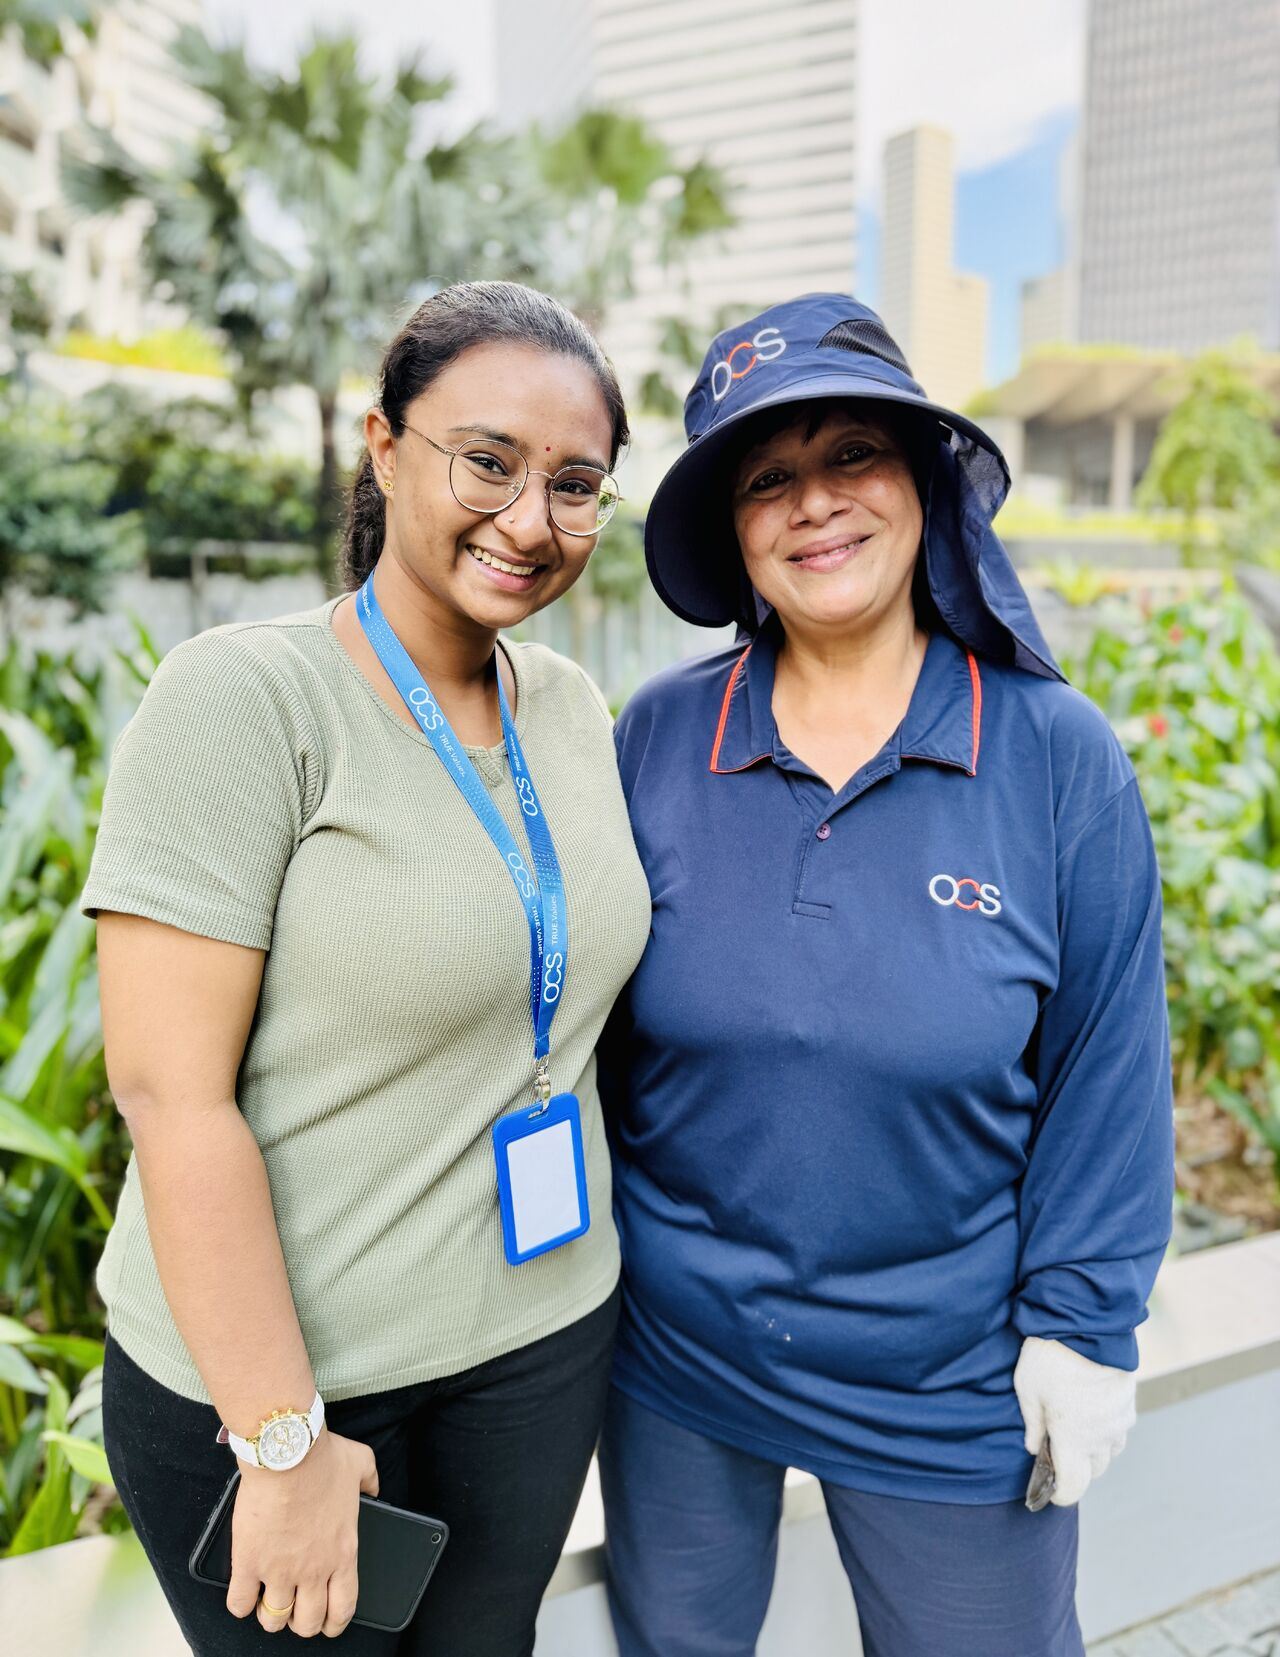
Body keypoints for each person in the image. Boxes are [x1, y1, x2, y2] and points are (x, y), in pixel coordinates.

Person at [598, 294, 1175, 1657]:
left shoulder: (1051, 752)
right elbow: (589, 1028)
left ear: (924, 485)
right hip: (679, 1359)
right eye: (768, 476)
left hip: (949, 1369)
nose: (816, 504)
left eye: (854, 454)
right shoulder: (661, 737)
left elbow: (1108, 1058)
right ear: (735, 531)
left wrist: (1084, 1328)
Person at [82, 280, 651, 1656]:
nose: (531, 520)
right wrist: (280, 1441)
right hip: (285, 1391)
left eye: (576, 484)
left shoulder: (569, 708)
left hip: (536, 1341)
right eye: (489, 462)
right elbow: (170, 1094)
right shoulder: (249, 698)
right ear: (385, 448)